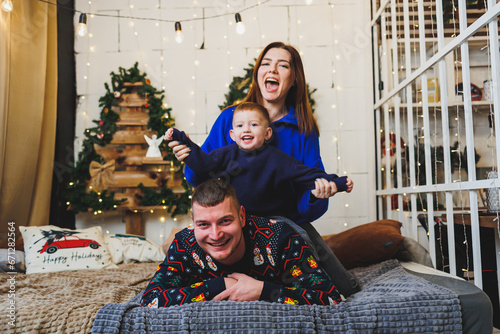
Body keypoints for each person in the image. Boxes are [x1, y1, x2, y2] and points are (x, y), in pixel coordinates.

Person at [169, 41, 360, 297]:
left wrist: (320, 192)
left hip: (286, 221)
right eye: (266, 64)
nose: (273, 69)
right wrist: (188, 156)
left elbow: (309, 190)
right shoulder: (231, 117)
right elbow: (202, 175)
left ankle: (272, 287)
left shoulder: (303, 129)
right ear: (258, 73)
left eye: (283, 65)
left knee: (344, 287)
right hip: (235, 220)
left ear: (293, 79)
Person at [141, 179, 342, 308]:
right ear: (193, 222)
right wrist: (219, 286)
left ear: (242, 216)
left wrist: (263, 290)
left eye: (225, 221)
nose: (215, 234)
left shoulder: (282, 239)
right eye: (203, 224)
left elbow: (331, 299)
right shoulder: (183, 245)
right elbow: (150, 300)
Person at [164, 102, 353, 220]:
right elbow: (203, 164)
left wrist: (338, 182)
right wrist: (182, 140)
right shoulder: (225, 155)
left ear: (267, 133)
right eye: (240, 126)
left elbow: (308, 175)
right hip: (238, 219)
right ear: (233, 134)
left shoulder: (278, 159)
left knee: (299, 244)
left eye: (253, 125)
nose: (246, 129)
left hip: (276, 220)